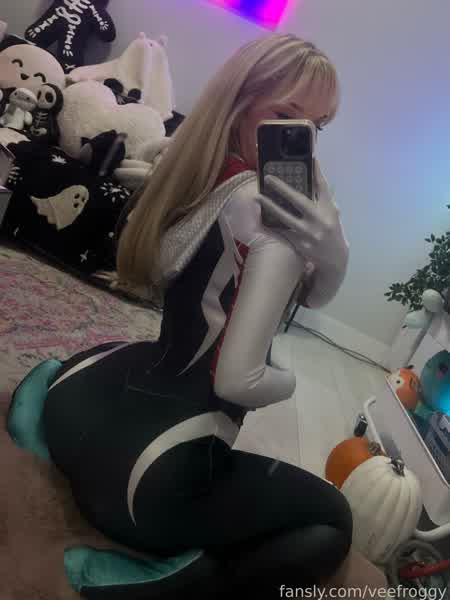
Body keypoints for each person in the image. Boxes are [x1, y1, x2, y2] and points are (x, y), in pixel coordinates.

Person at [42, 34, 388, 595]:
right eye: (285, 116)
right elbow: (237, 380)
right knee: (333, 522)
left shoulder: (193, 171)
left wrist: (329, 251)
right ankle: (171, 583)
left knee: (124, 356)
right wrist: (291, 379)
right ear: (241, 103)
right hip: (152, 482)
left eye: (316, 127)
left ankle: (35, 417)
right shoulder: (272, 218)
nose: (299, 140)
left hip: (74, 411)